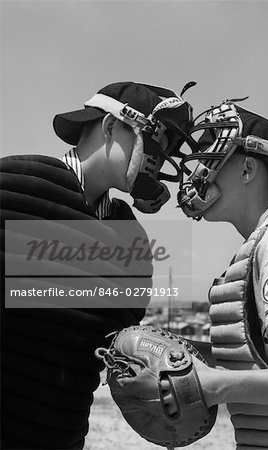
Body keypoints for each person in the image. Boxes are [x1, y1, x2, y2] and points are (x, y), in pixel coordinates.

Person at [0, 81, 193, 449]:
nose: (158, 159)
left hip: (64, 436)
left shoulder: (131, 242)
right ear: (109, 127)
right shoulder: (14, 185)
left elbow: (99, 352)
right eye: (153, 142)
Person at [164, 99, 268, 449]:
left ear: (247, 169)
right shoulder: (259, 244)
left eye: (211, 161)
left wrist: (211, 385)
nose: (197, 174)